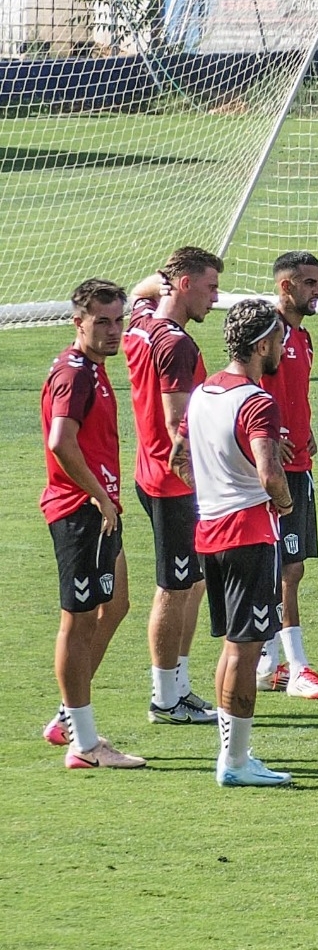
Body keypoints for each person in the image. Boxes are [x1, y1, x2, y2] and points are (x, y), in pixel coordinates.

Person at [188, 299, 297, 786]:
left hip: (210, 528)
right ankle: (234, 763)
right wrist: (286, 502)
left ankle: (232, 753)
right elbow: (270, 475)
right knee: (246, 648)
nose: (283, 347)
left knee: (233, 646)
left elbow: (180, 456)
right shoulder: (257, 401)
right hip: (248, 533)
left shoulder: (205, 391)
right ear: (261, 346)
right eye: (278, 340)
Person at [41, 278, 145, 770]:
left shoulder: (94, 368)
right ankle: (83, 743)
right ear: (77, 321)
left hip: (100, 509)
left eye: (118, 320)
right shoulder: (77, 374)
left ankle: (68, 715)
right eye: (101, 321)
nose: (113, 330)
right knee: (78, 622)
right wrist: (100, 497)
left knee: (116, 604)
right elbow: (61, 442)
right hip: (81, 511)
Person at [128, 246, 219, 728]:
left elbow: (139, 290)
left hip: (152, 474)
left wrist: (159, 285)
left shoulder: (142, 324)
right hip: (173, 483)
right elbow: (176, 424)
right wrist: (207, 484)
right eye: (208, 287)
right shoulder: (177, 345)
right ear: (184, 285)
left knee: (193, 583)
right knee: (172, 588)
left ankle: (179, 686)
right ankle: (165, 698)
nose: (215, 298)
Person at [258, 252, 318, 699]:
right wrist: (270, 438)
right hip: (276, 468)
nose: (317, 291)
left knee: (290, 567)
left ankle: (270, 662)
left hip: (299, 464)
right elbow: (250, 387)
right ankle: (294, 667)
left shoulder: (302, 337)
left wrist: (306, 430)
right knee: (287, 568)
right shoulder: (266, 333)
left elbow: (291, 393)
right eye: (309, 283)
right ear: (286, 286)